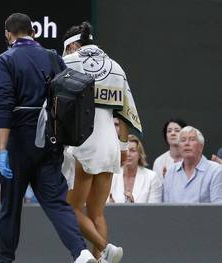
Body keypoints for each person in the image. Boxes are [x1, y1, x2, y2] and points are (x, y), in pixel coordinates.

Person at [0, 13, 96, 263]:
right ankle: (81, 253)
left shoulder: (5, 59)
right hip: (51, 140)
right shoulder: (52, 57)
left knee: (10, 208)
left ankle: (4, 260)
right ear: (33, 32)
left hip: (19, 139)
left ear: (8, 34)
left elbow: (5, 104)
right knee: (57, 203)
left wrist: (2, 150)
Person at [62, 21, 142, 261]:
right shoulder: (115, 66)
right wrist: (125, 146)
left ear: (73, 45)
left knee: (69, 208)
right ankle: (99, 260)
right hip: (110, 146)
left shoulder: (68, 62)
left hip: (84, 144)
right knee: (97, 213)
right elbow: (125, 111)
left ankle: (105, 248)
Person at [163, 126, 222, 203]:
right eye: (183, 140)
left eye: (192, 139)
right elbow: (165, 209)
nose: (187, 143)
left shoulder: (216, 171)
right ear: (179, 148)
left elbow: (217, 210)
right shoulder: (170, 173)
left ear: (201, 146)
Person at [109, 135, 162, 203]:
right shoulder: (112, 176)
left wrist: (134, 207)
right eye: (125, 150)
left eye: (132, 150)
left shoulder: (151, 177)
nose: (128, 154)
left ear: (140, 154)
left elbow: (154, 210)